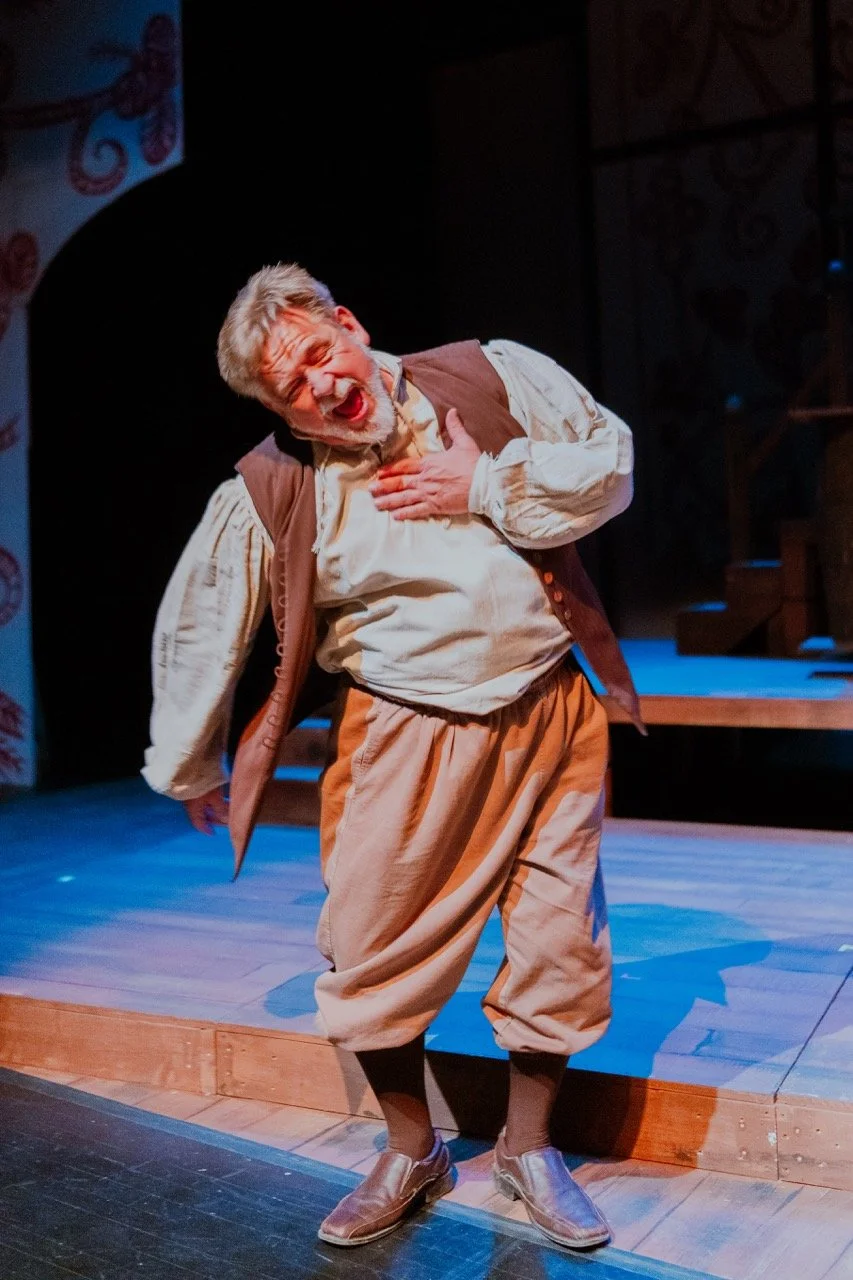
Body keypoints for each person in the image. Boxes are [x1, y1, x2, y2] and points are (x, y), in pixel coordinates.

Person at [142, 262, 643, 1251]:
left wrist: (482, 482)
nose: (321, 386)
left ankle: (528, 1146)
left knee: (559, 944)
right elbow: (201, 621)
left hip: (548, 706)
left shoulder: (491, 373)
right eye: (291, 386)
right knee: (371, 947)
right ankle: (412, 1147)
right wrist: (191, 760)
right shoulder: (274, 487)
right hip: (406, 730)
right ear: (276, 408)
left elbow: (608, 469)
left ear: (349, 324)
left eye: (319, 353)